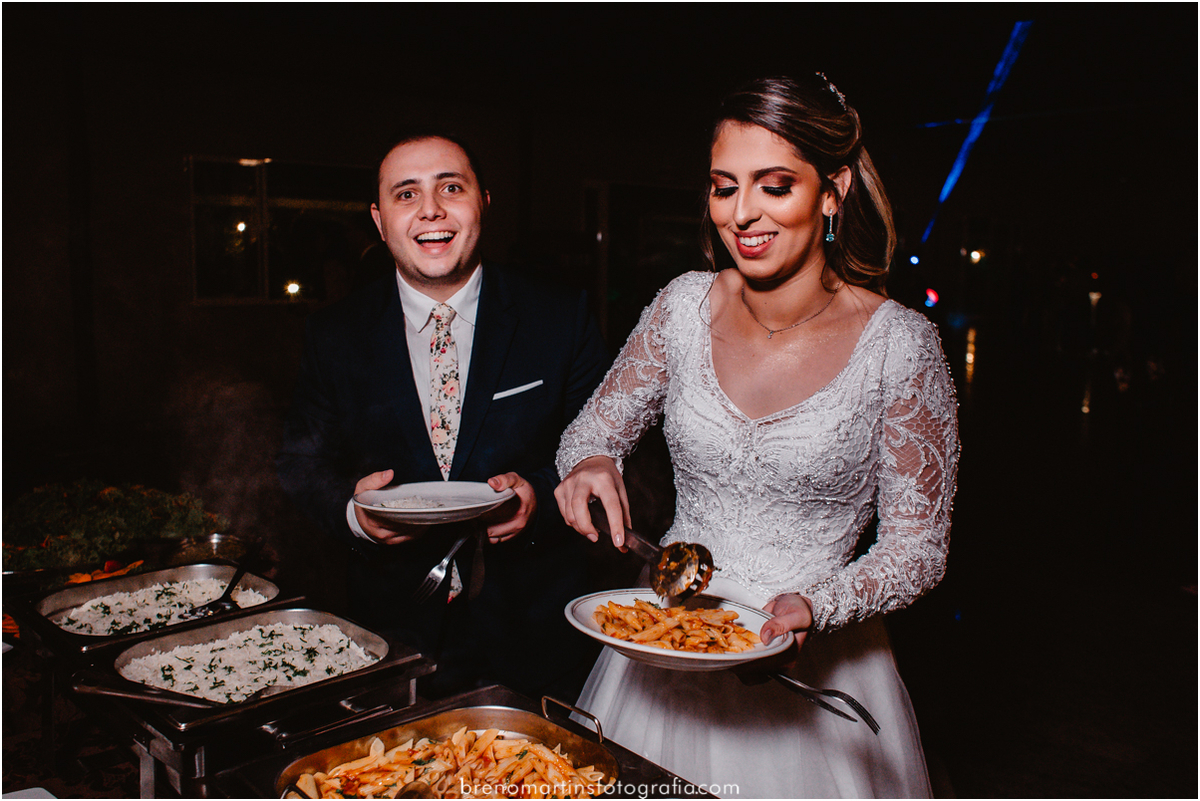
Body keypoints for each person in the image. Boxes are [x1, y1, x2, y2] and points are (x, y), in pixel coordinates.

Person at [554, 75, 960, 798]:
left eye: (774, 186)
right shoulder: (683, 306)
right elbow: (594, 428)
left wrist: (820, 607)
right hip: (663, 645)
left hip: (814, 669)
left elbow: (918, 547)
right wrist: (589, 462)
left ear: (831, 191)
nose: (742, 214)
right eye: (723, 187)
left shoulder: (901, 344)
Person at [277, 131, 609, 699]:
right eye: (406, 195)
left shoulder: (560, 316)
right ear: (380, 222)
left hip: (535, 632)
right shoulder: (334, 334)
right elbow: (300, 464)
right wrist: (356, 515)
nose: (430, 209)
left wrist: (539, 496)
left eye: (450, 187)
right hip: (392, 637)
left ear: (483, 201)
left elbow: (609, 451)